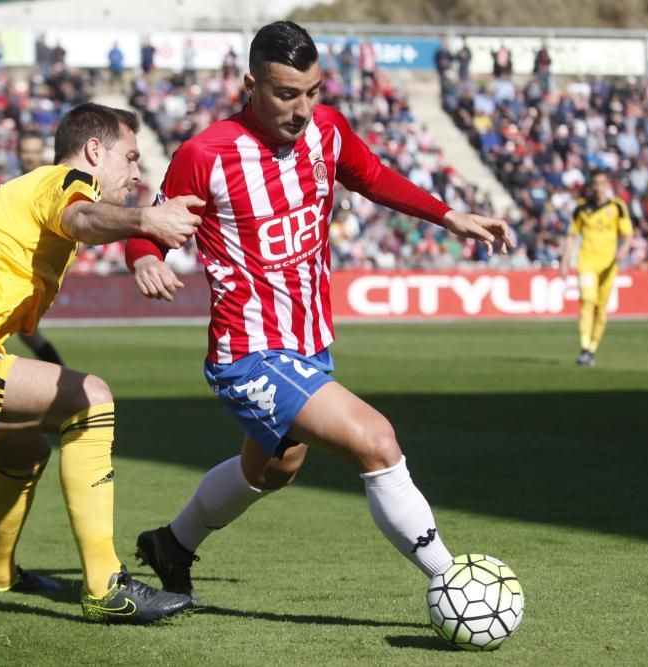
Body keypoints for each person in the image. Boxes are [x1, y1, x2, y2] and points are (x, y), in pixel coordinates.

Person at [124, 21, 513, 605]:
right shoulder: (205, 155)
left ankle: (172, 544)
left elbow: (372, 176)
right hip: (249, 351)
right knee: (376, 440)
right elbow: (153, 224)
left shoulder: (326, 129)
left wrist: (448, 215)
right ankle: (452, 580)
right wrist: (143, 257)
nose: (303, 108)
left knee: (273, 472)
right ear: (251, 84)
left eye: (312, 91)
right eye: (286, 94)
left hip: (308, 344)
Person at [0, 103, 202, 623]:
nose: (138, 173)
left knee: (25, 448)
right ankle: (105, 587)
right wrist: (147, 220)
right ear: (95, 151)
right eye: (132, 157)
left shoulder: (25, 194)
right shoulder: (66, 181)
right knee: (92, 396)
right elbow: (82, 218)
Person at [559, 170, 633, 367]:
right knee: (587, 303)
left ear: (608, 184)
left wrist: (624, 249)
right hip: (587, 262)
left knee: (601, 308)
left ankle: (592, 348)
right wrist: (565, 261)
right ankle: (584, 347)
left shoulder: (617, 206)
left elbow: (628, 234)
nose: (598, 187)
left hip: (609, 264)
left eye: (602, 183)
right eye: (595, 183)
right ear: (591, 185)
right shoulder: (581, 207)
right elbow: (572, 235)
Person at [14, 130, 66, 365]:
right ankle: (62, 379)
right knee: (29, 335)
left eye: (35, 151)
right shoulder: (12, 185)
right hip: (13, 263)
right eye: (26, 151)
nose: (30, 156)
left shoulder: (51, 182)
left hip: (35, 267)